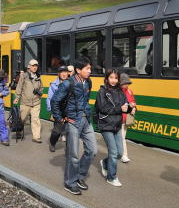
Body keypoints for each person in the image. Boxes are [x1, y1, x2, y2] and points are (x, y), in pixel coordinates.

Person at [51, 58, 96, 196]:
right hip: (72, 122)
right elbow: (54, 101)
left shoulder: (88, 82)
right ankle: (70, 182)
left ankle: (80, 176)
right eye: (87, 68)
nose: (90, 71)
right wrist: (60, 118)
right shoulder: (68, 84)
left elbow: (85, 100)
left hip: (85, 120)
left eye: (90, 68)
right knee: (74, 155)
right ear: (78, 70)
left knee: (92, 150)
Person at [94, 69, 131, 187]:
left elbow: (125, 106)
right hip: (105, 125)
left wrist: (131, 108)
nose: (114, 80)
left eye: (116, 78)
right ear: (107, 78)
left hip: (117, 125)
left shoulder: (120, 92)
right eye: (111, 78)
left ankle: (105, 162)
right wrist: (120, 109)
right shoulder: (102, 91)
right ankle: (111, 177)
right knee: (113, 151)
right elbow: (103, 108)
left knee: (120, 153)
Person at [15, 59, 43, 143]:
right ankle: (19, 131)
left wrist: (39, 92)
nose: (35, 67)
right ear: (29, 66)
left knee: (36, 119)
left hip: (36, 102)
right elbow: (19, 87)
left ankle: (36, 137)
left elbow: (41, 87)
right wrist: (17, 98)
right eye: (33, 66)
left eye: (36, 66)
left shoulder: (38, 76)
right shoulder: (24, 76)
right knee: (22, 119)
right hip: (25, 102)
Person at [47, 66, 71, 152]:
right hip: (58, 111)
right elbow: (50, 99)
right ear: (59, 74)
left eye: (65, 72)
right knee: (57, 131)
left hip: (68, 111)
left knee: (70, 132)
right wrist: (52, 111)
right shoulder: (54, 85)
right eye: (62, 72)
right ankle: (52, 142)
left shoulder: (72, 83)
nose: (64, 74)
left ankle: (68, 150)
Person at [118, 72, 137, 163]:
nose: (126, 85)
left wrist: (133, 107)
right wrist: (129, 106)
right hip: (120, 118)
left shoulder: (129, 91)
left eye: (127, 83)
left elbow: (133, 101)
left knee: (121, 137)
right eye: (124, 83)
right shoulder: (118, 92)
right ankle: (124, 155)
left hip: (127, 118)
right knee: (122, 137)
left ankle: (119, 153)